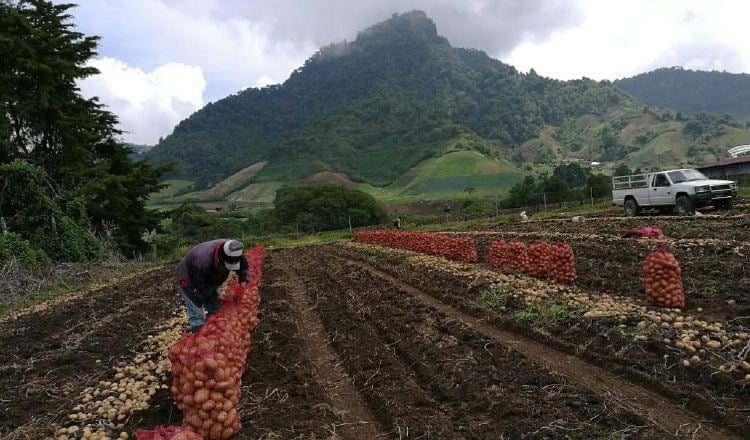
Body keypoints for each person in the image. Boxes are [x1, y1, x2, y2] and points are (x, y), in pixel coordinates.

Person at [177, 239, 250, 332]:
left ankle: (212, 321)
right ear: (221, 258)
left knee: (214, 309)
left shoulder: (235, 250)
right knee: (195, 302)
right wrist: (215, 294)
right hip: (190, 275)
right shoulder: (202, 260)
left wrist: (243, 282)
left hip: (207, 274)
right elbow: (202, 285)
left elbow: (243, 266)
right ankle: (197, 327)